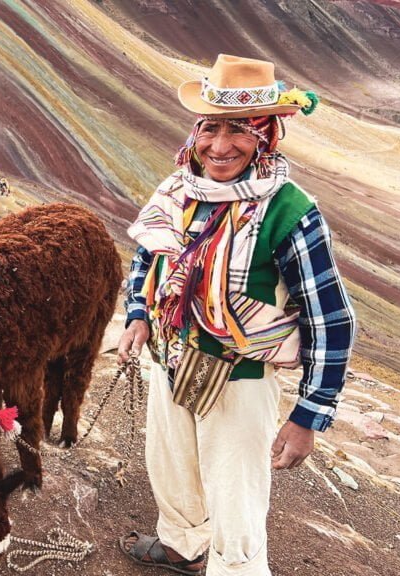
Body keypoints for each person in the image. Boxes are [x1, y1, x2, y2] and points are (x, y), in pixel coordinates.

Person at [117, 54, 356, 576]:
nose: (219, 146)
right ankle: (182, 542)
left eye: (239, 132)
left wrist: (307, 416)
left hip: (241, 376)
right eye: (209, 128)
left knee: (236, 492)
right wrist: (138, 313)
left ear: (267, 135)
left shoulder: (290, 212)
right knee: (172, 463)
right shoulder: (177, 190)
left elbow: (330, 318)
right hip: (168, 357)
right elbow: (147, 257)